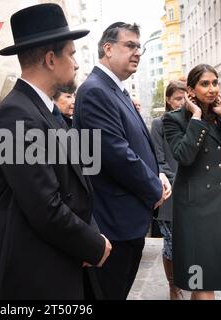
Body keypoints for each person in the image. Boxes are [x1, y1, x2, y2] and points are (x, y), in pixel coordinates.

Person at [0, 3, 111, 300]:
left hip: (60, 258)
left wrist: (88, 239)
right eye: (72, 53)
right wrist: (92, 245)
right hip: (34, 271)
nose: (77, 63)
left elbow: (76, 186)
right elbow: (44, 206)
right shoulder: (15, 115)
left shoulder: (44, 110)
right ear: (51, 59)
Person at [74, 22, 171, 300]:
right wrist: (154, 188)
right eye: (129, 45)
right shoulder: (95, 90)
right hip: (113, 223)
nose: (137, 52)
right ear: (107, 48)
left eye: (139, 47)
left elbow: (137, 143)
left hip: (127, 219)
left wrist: (158, 174)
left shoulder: (116, 89)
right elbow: (115, 153)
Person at [163, 64, 221, 300]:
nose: (212, 89)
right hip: (194, 209)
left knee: (202, 281)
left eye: (215, 82)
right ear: (190, 90)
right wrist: (197, 118)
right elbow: (184, 156)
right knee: (203, 282)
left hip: (220, 205)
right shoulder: (174, 120)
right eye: (205, 84)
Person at [150, 80, 186, 300]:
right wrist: (180, 182)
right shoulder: (159, 124)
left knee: (191, 244)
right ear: (168, 100)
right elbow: (159, 161)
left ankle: (190, 280)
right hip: (170, 193)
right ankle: (173, 286)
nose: (181, 103)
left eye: (185, 98)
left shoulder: (195, 122)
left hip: (193, 197)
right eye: (177, 98)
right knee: (171, 245)